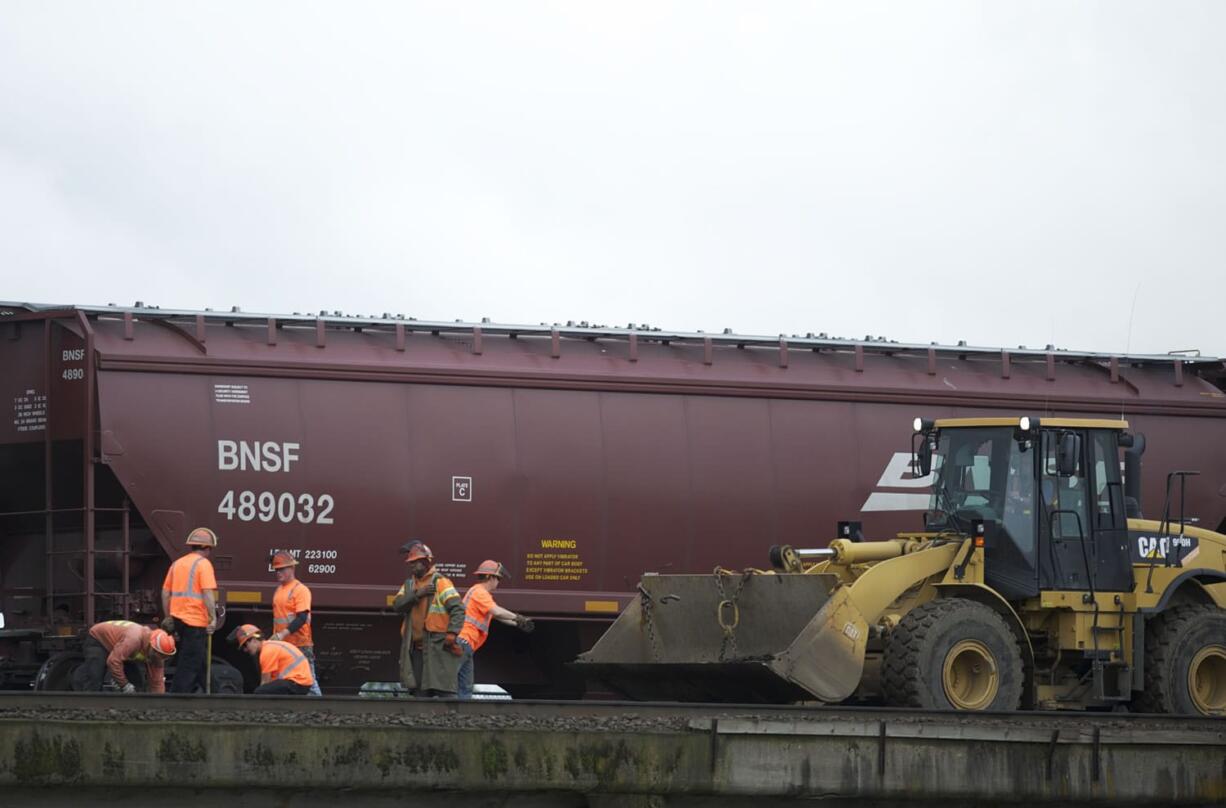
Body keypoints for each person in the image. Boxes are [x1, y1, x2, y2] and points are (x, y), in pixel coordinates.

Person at [391, 540, 465, 697]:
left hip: (438, 646)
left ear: (425, 562)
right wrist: (418, 594)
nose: (411, 566)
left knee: (444, 691)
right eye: (410, 563)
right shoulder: (410, 585)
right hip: (417, 648)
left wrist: (452, 634)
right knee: (420, 694)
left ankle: (449, 720)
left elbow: (458, 608)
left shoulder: (441, 582)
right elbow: (397, 605)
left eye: (415, 563)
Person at [456, 560, 534, 700]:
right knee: (452, 683)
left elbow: (497, 616)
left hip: (467, 645)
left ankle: (459, 714)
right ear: (490, 577)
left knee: (465, 687)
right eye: (498, 578)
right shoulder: (480, 593)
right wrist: (518, 617)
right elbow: (497, 611)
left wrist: (517, 624)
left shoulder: (480, 594)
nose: (498, 582)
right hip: (464, 641)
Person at [161, 527, 219, 693]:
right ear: (207, 548)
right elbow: (208, 593)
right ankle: (178, 698)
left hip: (178, 620)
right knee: (190, 662)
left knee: (198, 660)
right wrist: (212, 618)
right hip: (195, 621)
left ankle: (216, 694)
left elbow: (165, 593)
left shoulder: (177, 564)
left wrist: (168, 617)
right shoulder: (204, 564)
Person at [269, 552, 321, 696]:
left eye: (282, 569)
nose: (278, 573)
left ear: (292, 568)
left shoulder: (300, 590)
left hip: (300, 644)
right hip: (284, 644)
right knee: (286, 679)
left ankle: (320, 707)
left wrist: (281, 634)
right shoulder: (279, 590)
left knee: (308, 680)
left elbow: (302, 618)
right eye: (276, 570)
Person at [74, 620, 176, 693]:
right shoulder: (134, 640)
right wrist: (124, 685)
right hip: (98, 639)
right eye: (159, 656)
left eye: (164, 657)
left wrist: (158, 704)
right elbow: (113, 661)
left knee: (136, 683)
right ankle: (89, 705)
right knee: (95, 677)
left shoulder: (158, 654)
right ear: (152, 647)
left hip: (121, 647)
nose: (160, 659)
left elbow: (157, 681)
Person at [229, 624, 316, 695]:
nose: (245, 650)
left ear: (254, 640)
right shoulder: (271, 646)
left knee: (260, 691)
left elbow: (265, 683)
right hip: (301, 682)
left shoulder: (266, 652)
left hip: (297, 683)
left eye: (245, 645)